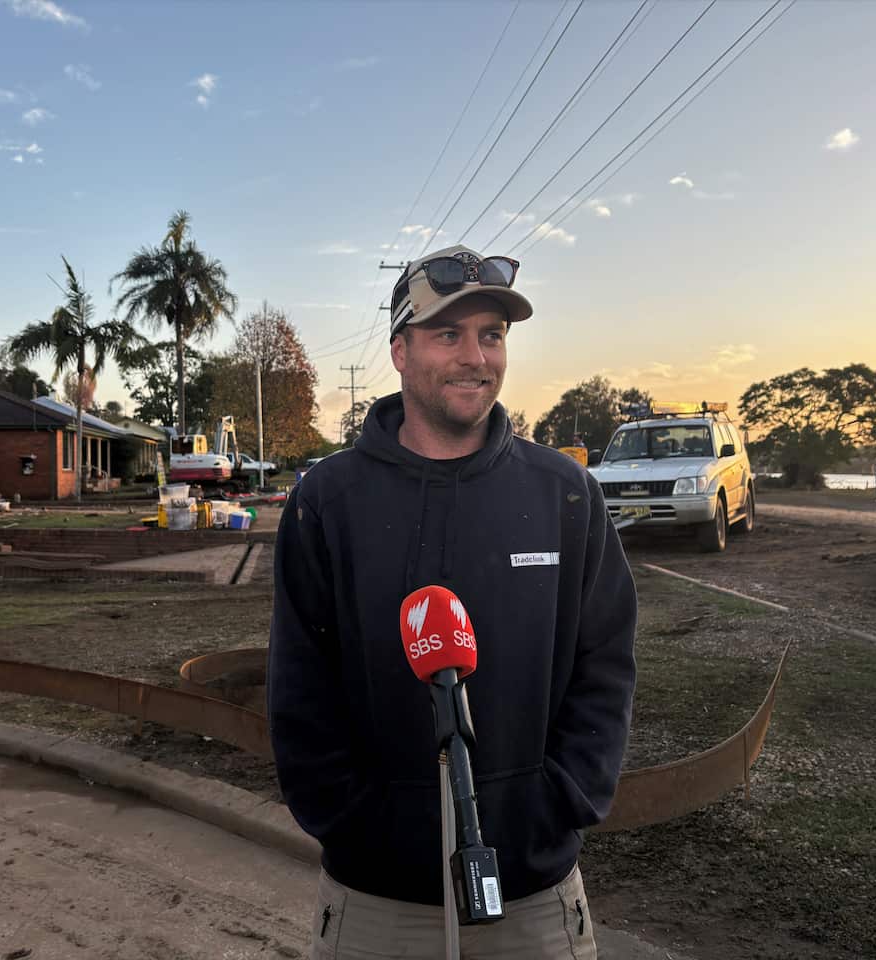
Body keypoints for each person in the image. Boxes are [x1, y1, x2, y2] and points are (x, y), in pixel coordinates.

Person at [268, 245, 637, 959]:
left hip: (534, 904)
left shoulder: (564, 495)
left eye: (492, 335)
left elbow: (607, 669)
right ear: (400, 351)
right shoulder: (327, 503)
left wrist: (553, 805)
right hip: (375, 906)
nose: (477, 357)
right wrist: (363, 822)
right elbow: (299, 693)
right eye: (449, 334)